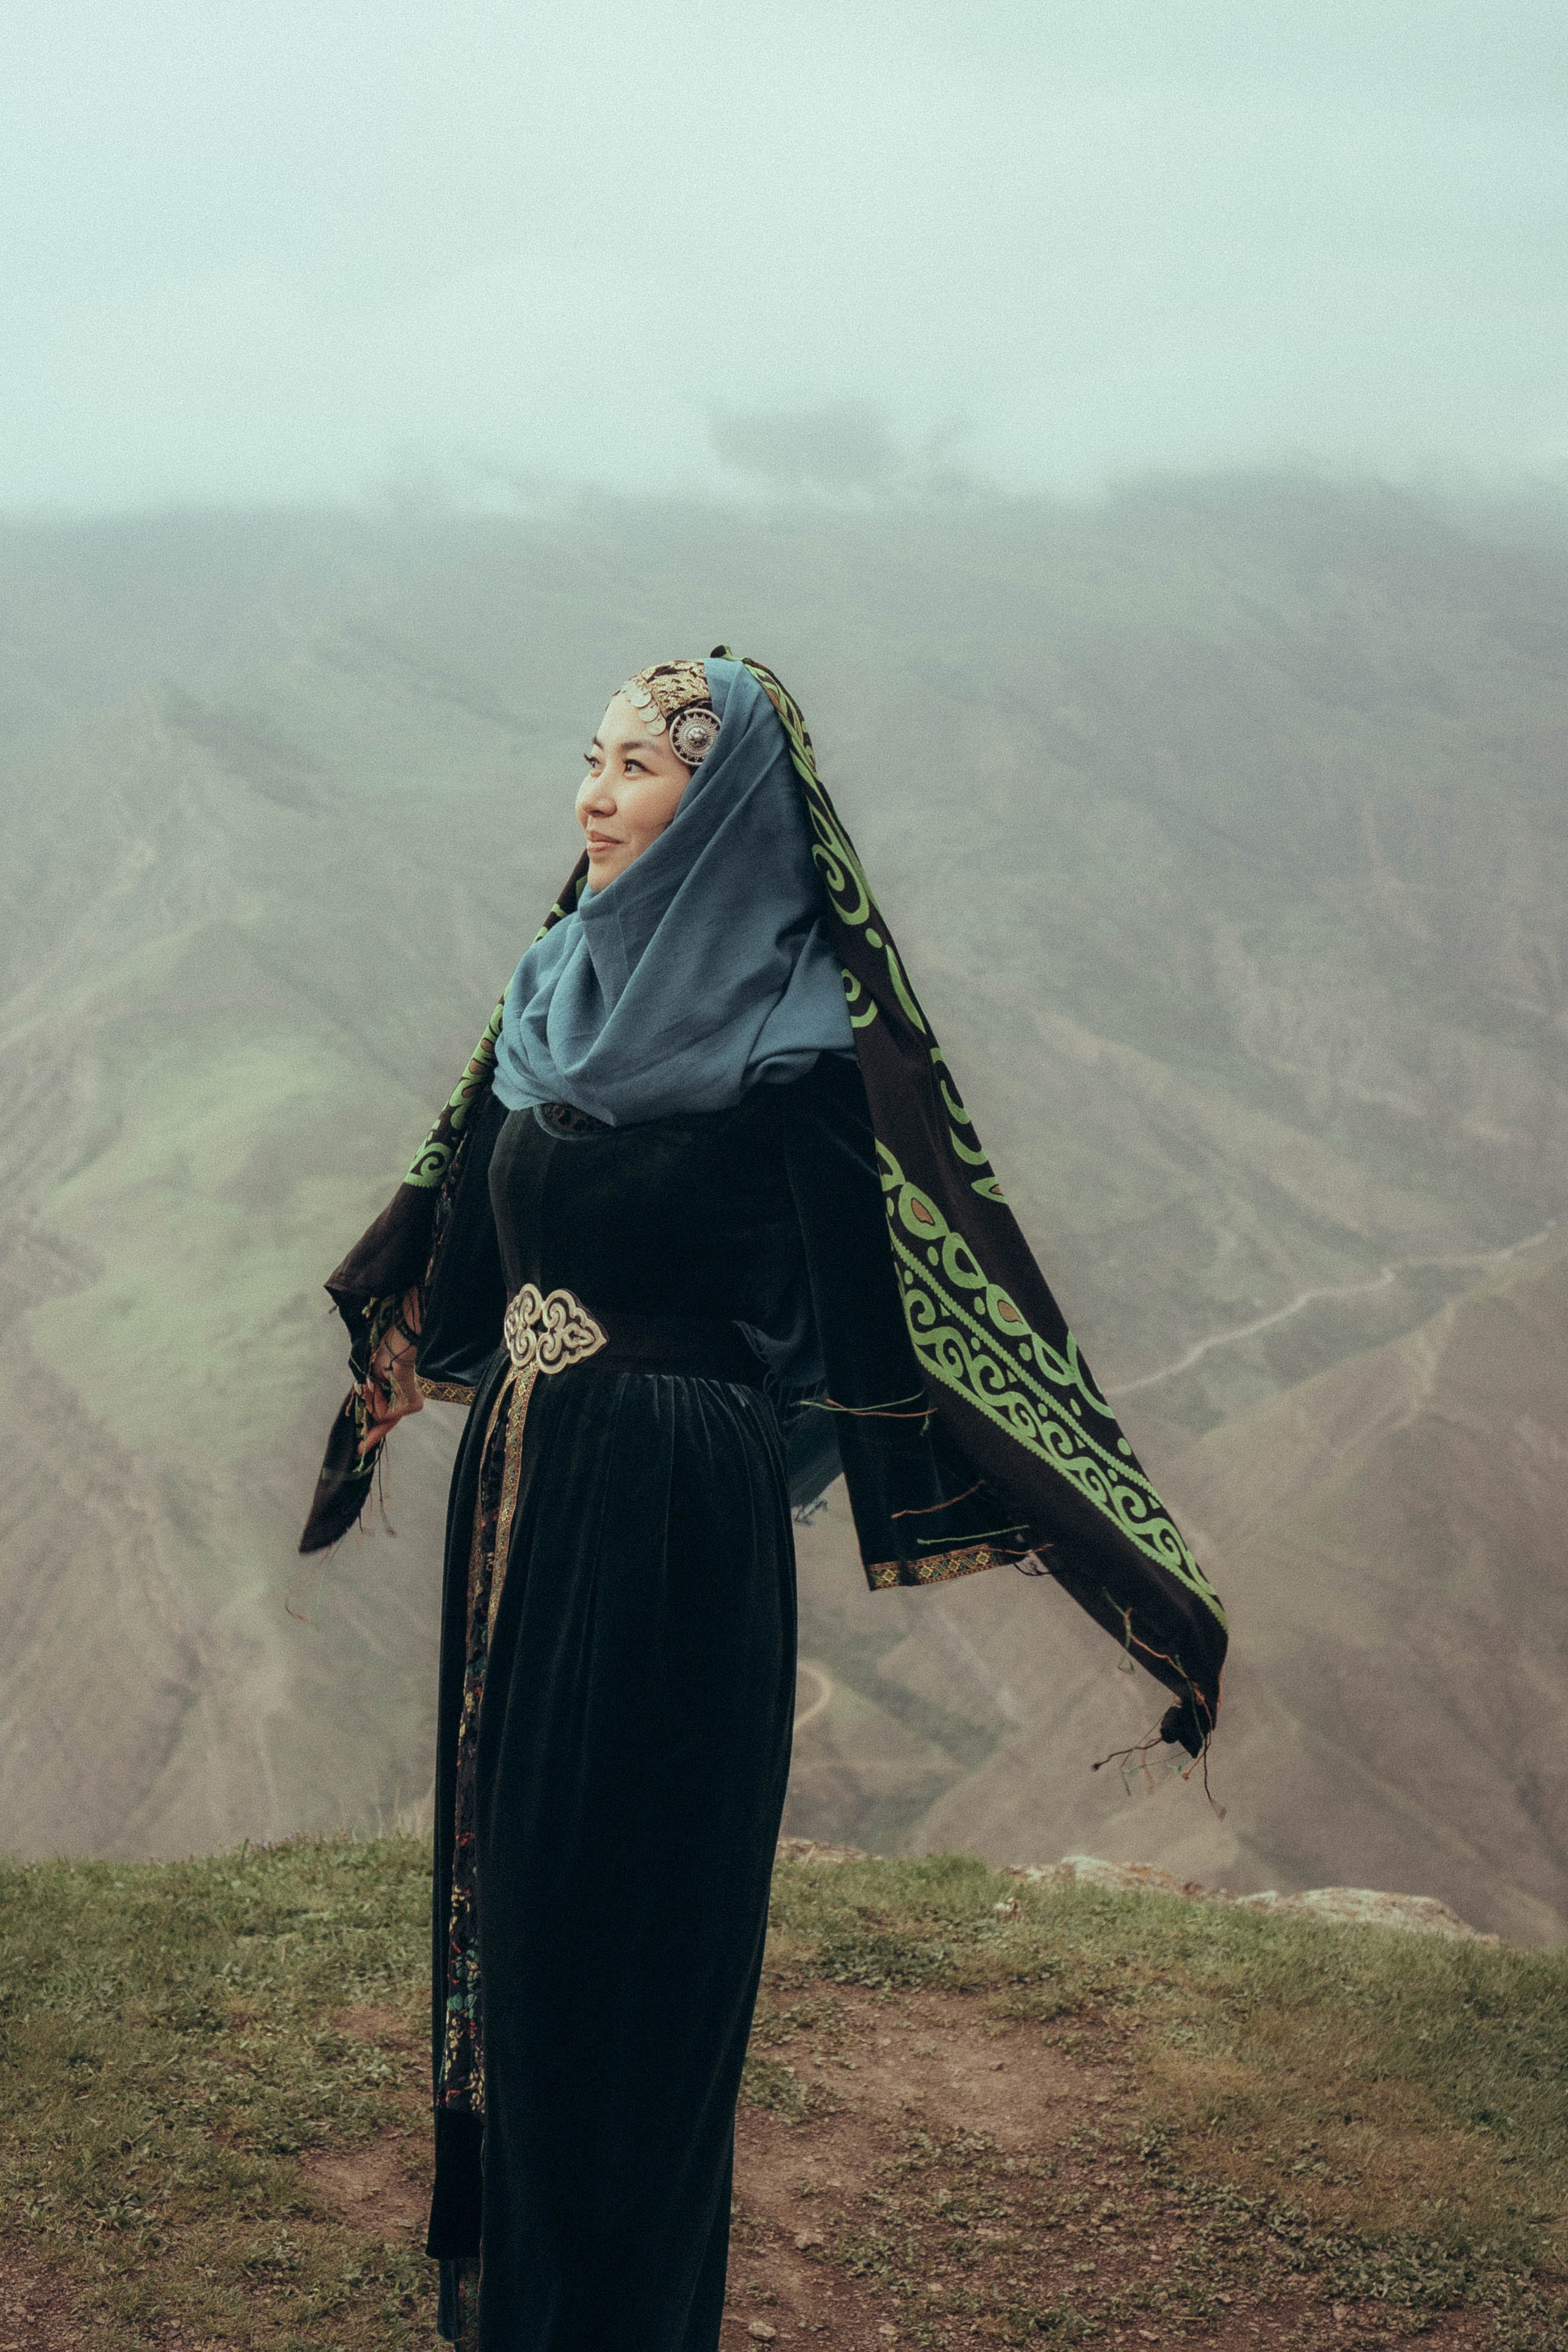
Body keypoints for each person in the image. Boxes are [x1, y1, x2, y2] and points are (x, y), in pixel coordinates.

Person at [300, 652, 1227, 2351]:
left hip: (670, 1514)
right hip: (522, 1489)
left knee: (630, 1930)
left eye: (641, 767)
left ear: (721, 810)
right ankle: (520, 2304)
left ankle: (618, 2314)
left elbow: (889, 1329)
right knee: (518, 1900)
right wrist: (402, 1335)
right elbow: (476, 1236)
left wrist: (1002, 1493)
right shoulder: (543, 992)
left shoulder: (798, 1049)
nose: (594, 795)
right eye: (588, 758)